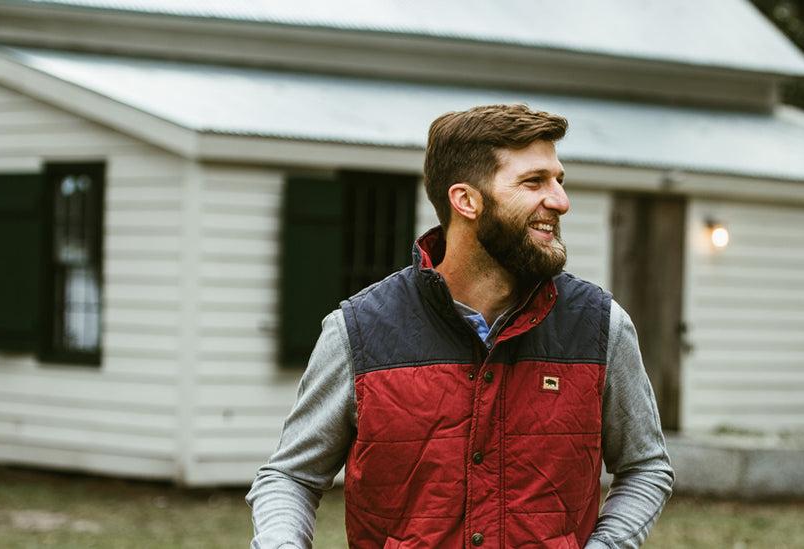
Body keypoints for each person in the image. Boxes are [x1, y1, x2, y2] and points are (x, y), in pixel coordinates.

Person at [246, 104, 675, 549]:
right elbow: (289, 476)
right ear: (466, 200)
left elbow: (645, 467)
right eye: (534, 182)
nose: (560, 201)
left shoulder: (601, 327)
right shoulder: (357, 332)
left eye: (558, 181)